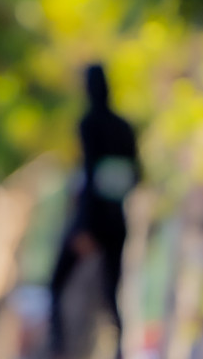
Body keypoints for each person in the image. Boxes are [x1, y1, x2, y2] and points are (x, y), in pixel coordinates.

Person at [48, 63, 140, 359]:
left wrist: (84, 225)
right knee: (113, 292)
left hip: (93, 220)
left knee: (56, 284)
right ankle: (119, 352)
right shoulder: (124, 127)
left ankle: (57, 347)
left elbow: (90, 174)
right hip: (117, 219)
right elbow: (135, 175)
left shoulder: (90, 123)